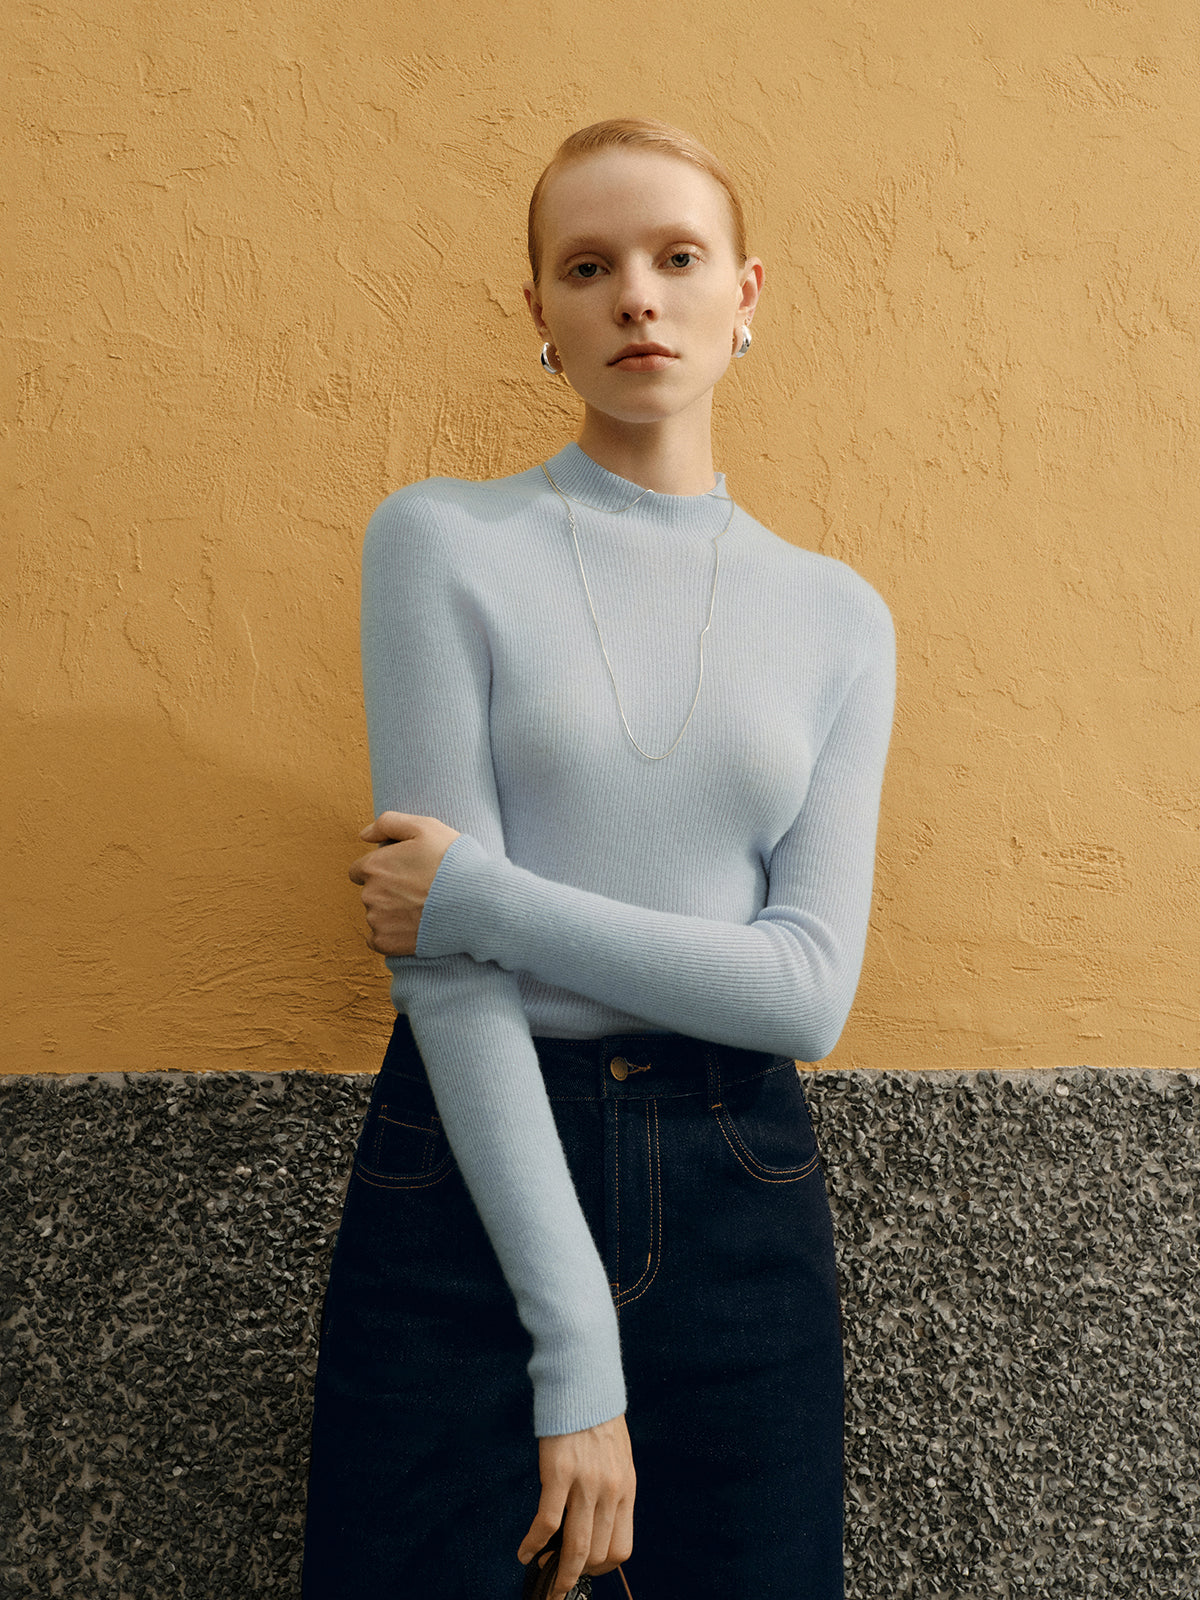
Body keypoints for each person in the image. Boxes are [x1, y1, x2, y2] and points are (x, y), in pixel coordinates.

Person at [301, 117, 895, 1600]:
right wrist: (575, 1356)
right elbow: (447, 984)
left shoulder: (839, 620)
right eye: (590, 265)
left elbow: (804, 995)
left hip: (739, 1191)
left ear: (744, 294)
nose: (638, 294)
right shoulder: (439, 544)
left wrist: (481, 896)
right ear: (542, 316)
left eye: (677, 257)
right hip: (465, 1177)